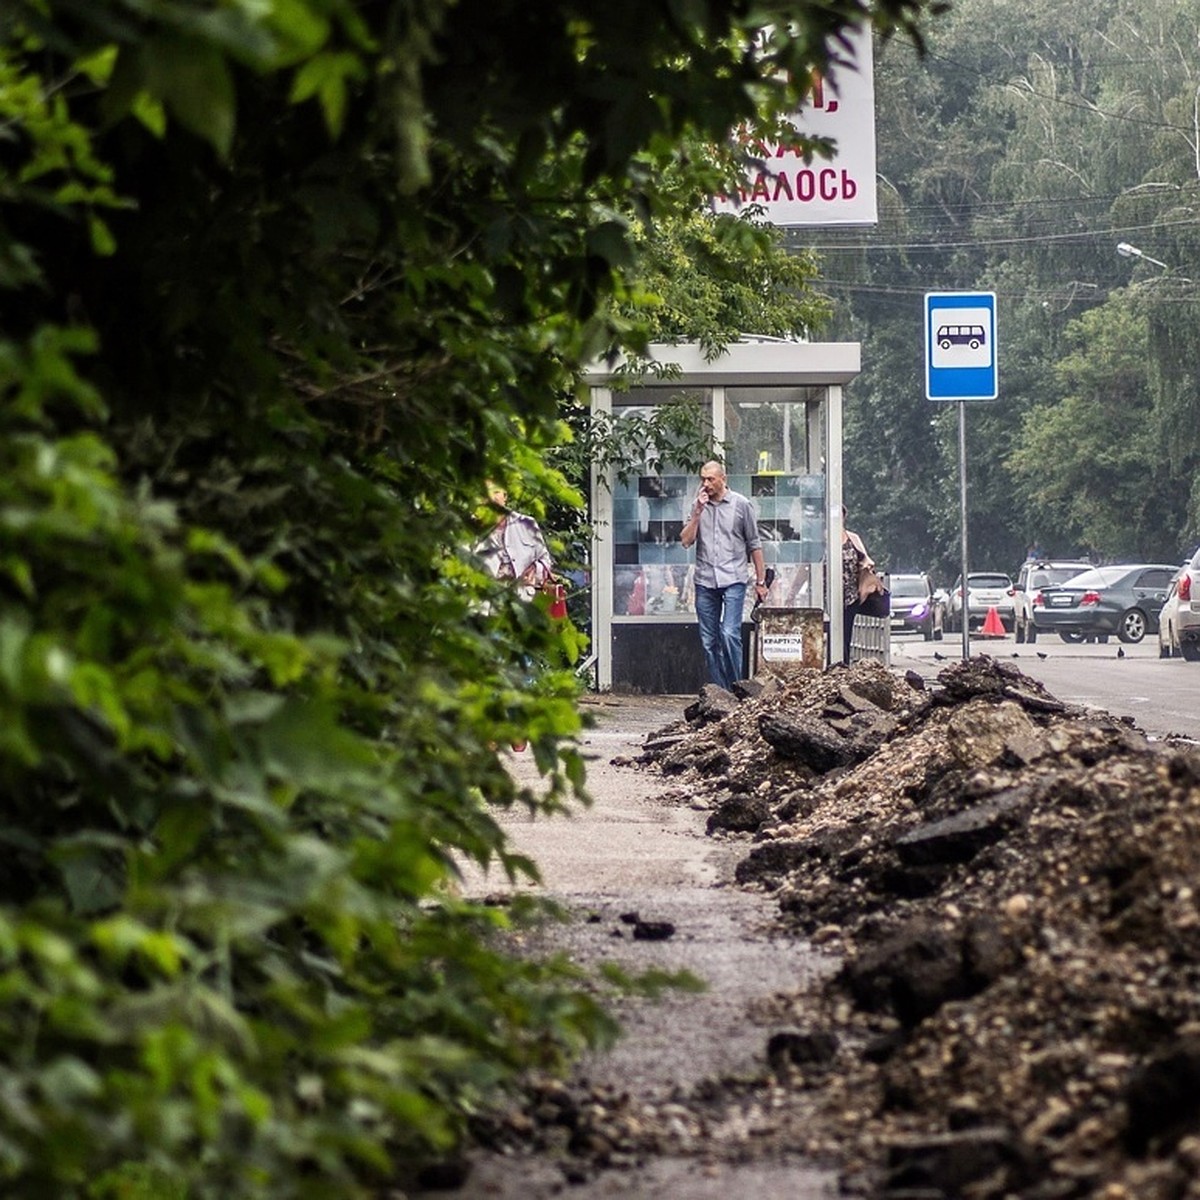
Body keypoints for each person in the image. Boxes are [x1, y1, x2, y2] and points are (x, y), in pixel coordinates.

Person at [680, 460, 767, 691]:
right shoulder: (697, 505)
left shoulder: (741, 505)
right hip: (705, 580)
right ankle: (720, 692)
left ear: (723, 479)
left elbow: (755, 544)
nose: (706, 484)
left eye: (710, 479)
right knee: (709, 641)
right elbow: (686, 541)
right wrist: (697, 513)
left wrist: (761, 581)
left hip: (733, 579)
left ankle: (737, 686)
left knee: (729, 633)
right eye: (703, 479)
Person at [841, 507, 874, 664]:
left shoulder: (852, 538)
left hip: (850, 595)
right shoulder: (821, 540)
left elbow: (866, 559)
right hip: (826, 597)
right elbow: (806, 568)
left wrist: (866, 565)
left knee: (845, 633)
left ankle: (843, 665)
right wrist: (793, 590)